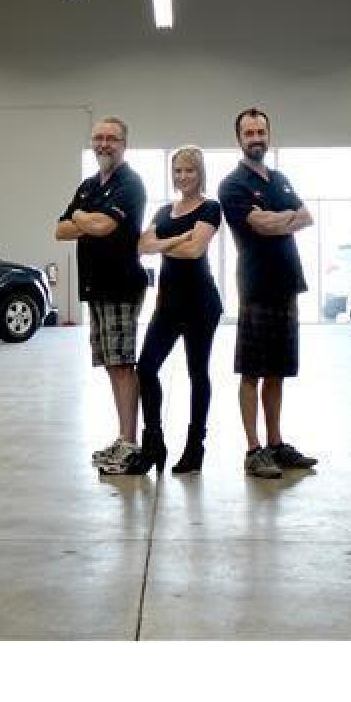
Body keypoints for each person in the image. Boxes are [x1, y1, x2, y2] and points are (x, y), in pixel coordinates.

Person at [103, 146, 222, 476]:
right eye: (178, 171)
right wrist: (177, 239)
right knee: (146, 368)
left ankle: (195, 446)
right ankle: (154, 442)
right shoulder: (164, 211)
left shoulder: (211, 208)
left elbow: (195, 250)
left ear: (200, 173)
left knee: (197, 372)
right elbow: (141, 246)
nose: (183, 176)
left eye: (189, 170)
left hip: (201, 303)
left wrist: (165, 244)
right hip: (168, 304)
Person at [218, 108, 319, 480]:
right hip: (256, 287)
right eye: (249, 133)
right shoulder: (232, 184)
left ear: (268, 134)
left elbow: (306, 216)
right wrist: (284, 218)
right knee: (251, 371)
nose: (256, 138)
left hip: (287, 284)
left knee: (277, 371)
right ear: (239, 138)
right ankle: (253, 449)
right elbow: (260, 225)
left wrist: (279, 219)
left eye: (261, 131)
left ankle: (276, 444)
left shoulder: (280, 179)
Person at [55, 116, 148, 472]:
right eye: (99, 138)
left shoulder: (130, 183)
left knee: (122, 364)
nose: (104, 144)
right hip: (95, 287)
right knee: (111, 364)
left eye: (112, 138)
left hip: (120, 286)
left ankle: (130, 443)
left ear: (124, 144)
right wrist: (86, 219)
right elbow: (60, 230)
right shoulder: (89, 186)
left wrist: (81, 216)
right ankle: (123, 437)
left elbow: (104, 226)